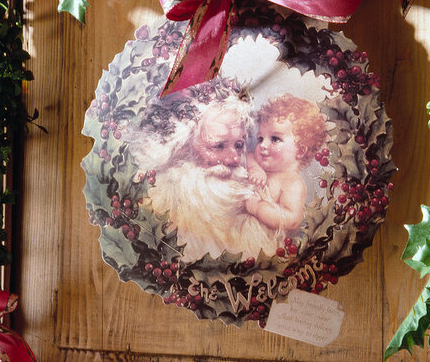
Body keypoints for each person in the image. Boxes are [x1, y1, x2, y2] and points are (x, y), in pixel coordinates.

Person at [134, 82, 277, 259]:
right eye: (218, 146)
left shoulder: (255, 203)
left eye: (238, 145)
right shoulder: (160, 208)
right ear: (185, 147)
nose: (234, 159)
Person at [245, 95, 328, 236]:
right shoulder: (258, 162)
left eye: (275, 139)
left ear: (300, 151)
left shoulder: (292, 183)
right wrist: (254, 168)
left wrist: (258, 208)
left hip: (258, 237)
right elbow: (248, 157)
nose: (262, 145)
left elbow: (291, 220)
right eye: (260, 138)